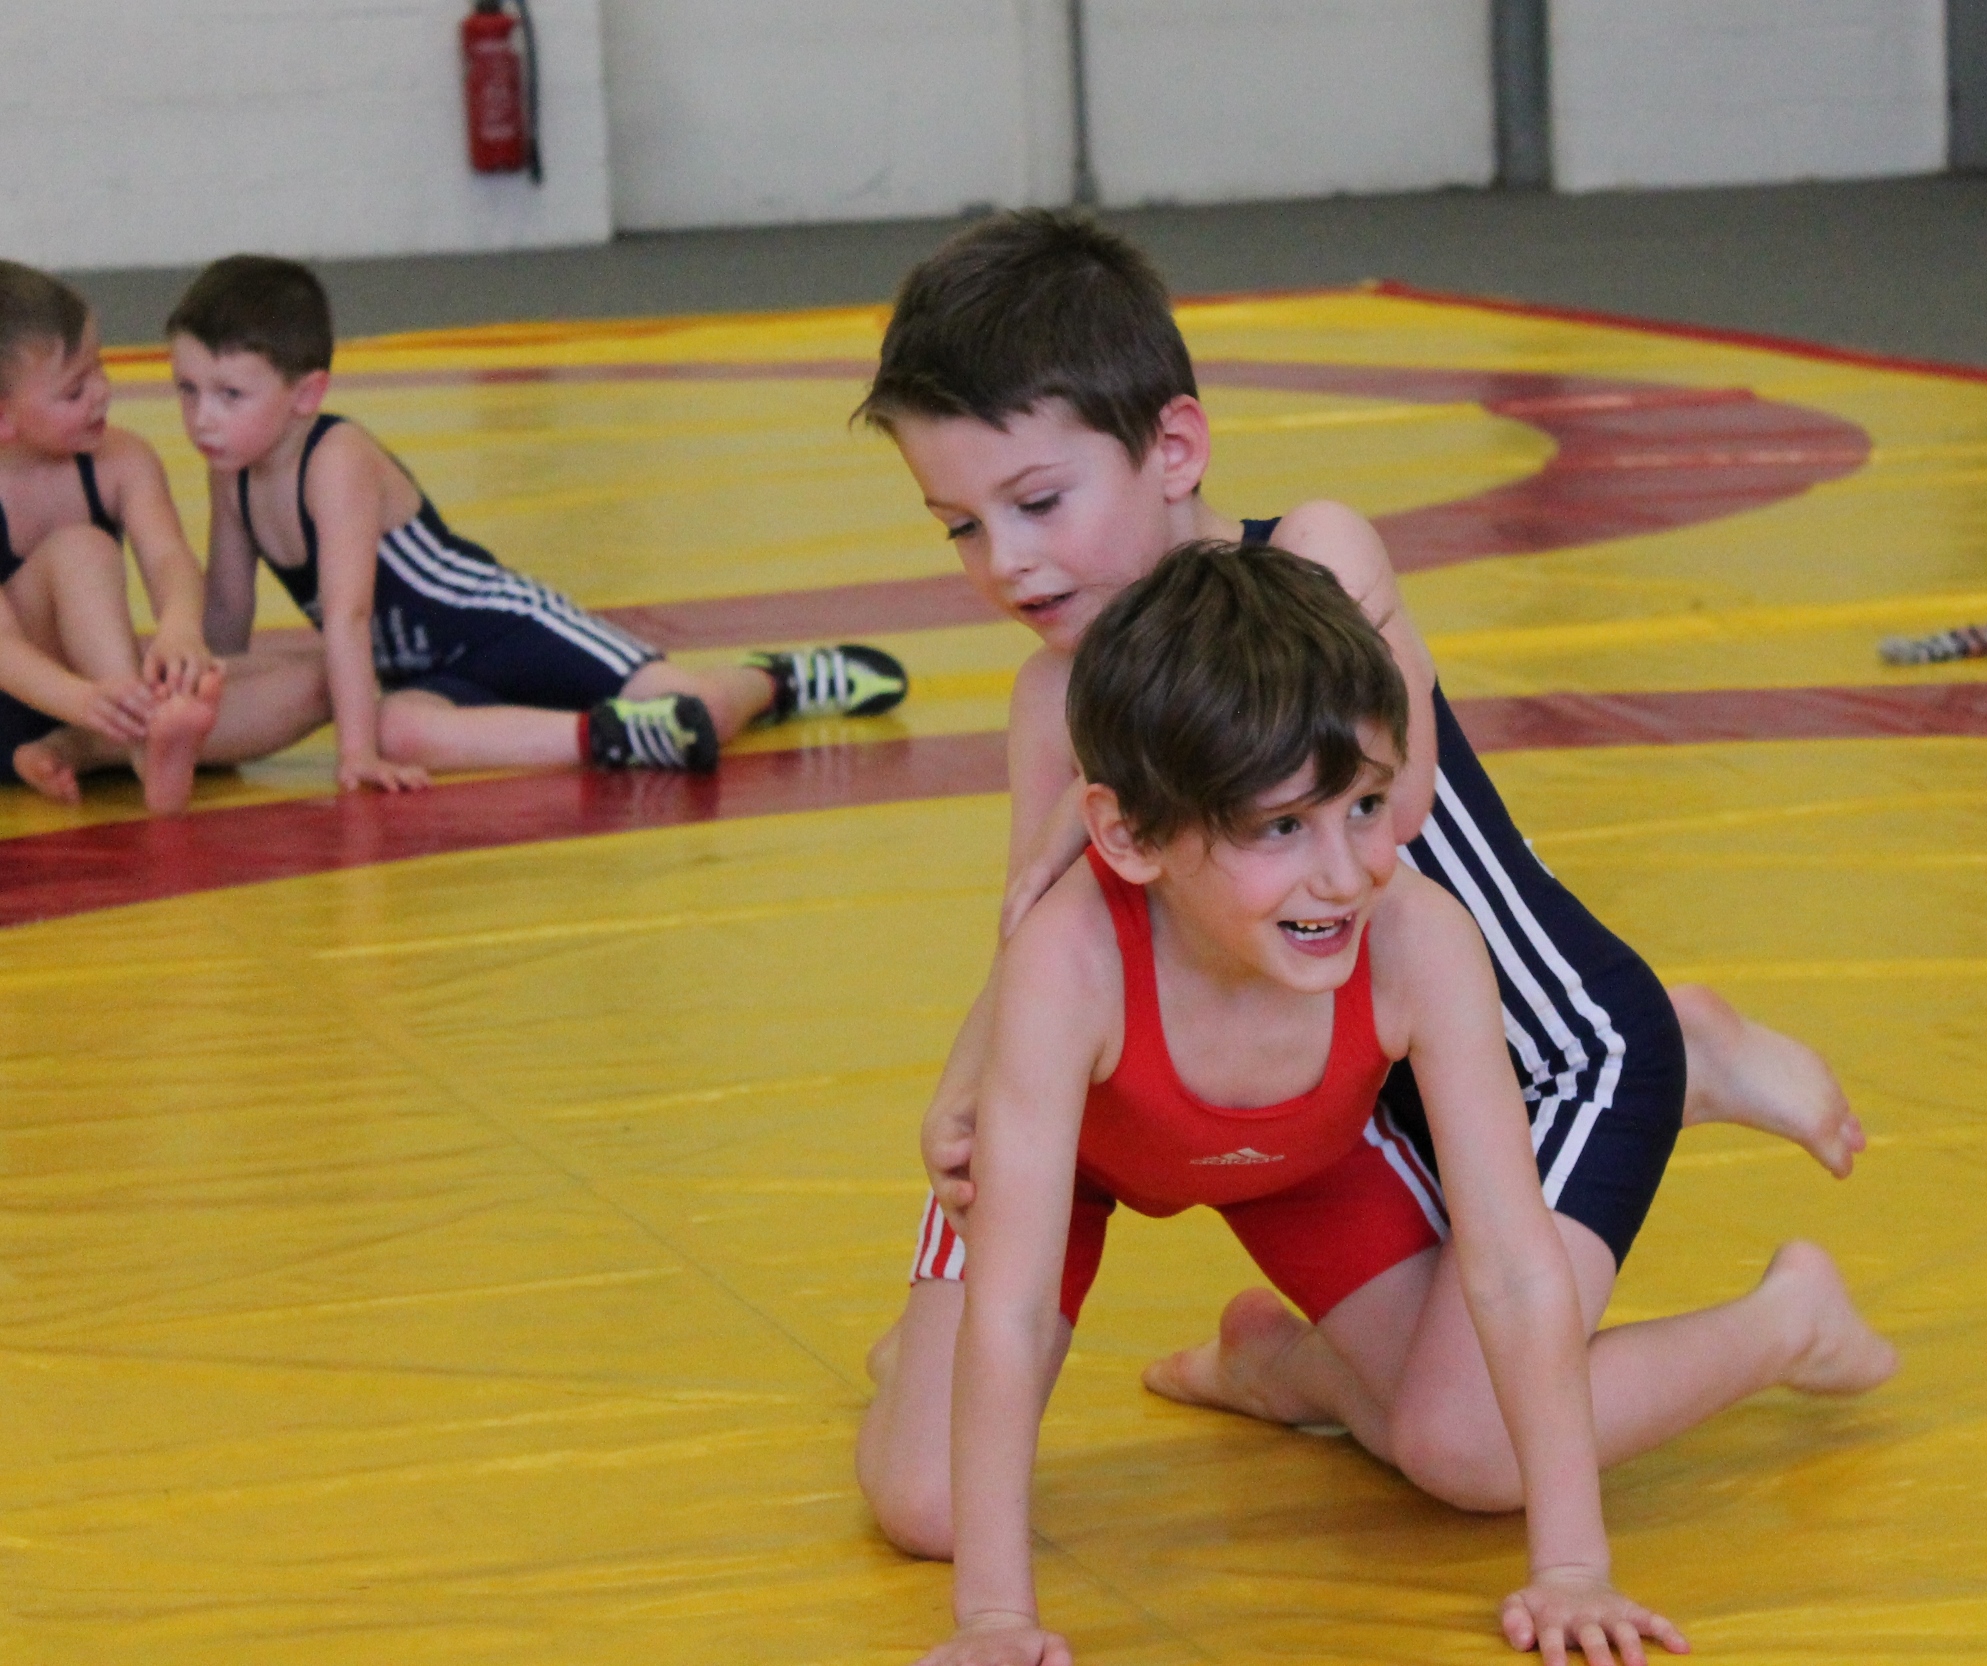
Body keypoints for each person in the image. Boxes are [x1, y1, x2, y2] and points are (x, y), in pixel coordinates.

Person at [852, 212, 1880, 1514]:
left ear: (1175, 450)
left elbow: (1381, 808)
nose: (1004, 562)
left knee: (1474, 1446)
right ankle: (1301, 1371)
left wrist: (1084, 813)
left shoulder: (1312, 559)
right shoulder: (1049, 697)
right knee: (929, 1497)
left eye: (1038, 503)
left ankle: (1779, 1307)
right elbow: (1039, 933)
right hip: (1318, 1074)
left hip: (1529, 1044)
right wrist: (961, 1086)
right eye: (958, 525)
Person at [874, 542, 1893, 1666]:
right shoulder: (1068, 962)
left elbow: (1513, 1267)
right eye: (1281, 827)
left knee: (1469, 1448)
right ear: (1129, 836)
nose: (1347, 871)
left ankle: (1299, 1369)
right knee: (929, 1505)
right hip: (1070, 1168)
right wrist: (996, 1618)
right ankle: (917, 1360)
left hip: (1308, 1159)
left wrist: (1570, 1566)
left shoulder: (1418, 940)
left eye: (1365, 804)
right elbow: (1014, 1304)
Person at [163, 255, 910, 792]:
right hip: (430, 673)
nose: (203, 419)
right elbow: (227, 610)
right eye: (187, 390)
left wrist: (352, 756)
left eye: (230, 394)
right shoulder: (231, 472)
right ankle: (608, 736)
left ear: (306, 394)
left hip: (506, 626)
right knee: (401, 730)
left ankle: (774, 680)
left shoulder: (336, 457)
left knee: (696, 711)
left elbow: (350, 613)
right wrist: (214, 713)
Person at [0, 261, 329, 812]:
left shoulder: (122, 459)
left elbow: (168, 559)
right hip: (34, 701)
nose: (101, 393)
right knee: (82, 549)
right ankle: (141, 750)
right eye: (74, 390)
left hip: (102, 705)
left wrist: (179, 629)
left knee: (325, 681)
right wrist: (85, 698)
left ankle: (79, 750)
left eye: (100, 367)